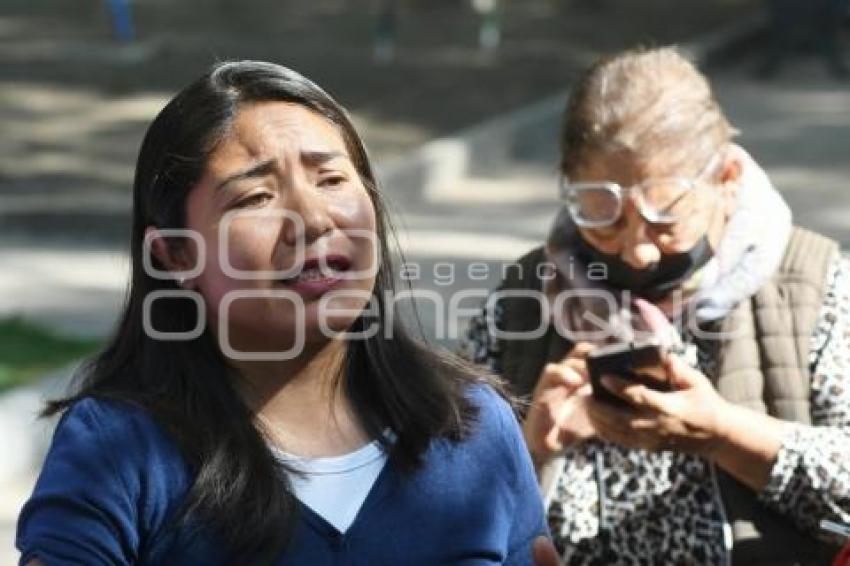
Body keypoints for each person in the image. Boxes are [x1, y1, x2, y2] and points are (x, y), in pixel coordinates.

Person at [16, 60, 549, 565]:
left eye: (332, 179)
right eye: (255, 197)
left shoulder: (473, 427)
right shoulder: (119, 449)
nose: (313, 219)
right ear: (176, 255)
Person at [466, 47, 850, 564]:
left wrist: (724, 435)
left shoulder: (815, 284)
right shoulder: (523, 299)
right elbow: (437, 504)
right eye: (602, 217)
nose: (637, 250)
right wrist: (529, 450)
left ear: (728, 180)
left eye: (665, 218)